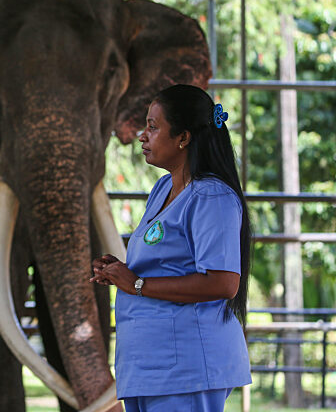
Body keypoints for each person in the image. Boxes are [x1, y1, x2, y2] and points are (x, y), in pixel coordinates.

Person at [91, 84, 252, 412]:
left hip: (186, 370)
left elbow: (223, 282)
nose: (142, 136)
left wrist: (137, 284)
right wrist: (122, 273)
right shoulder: (164, 187)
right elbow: (166, 263)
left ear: (183, 137)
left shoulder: (211, 197)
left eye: (153, 127)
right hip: (152, 368)